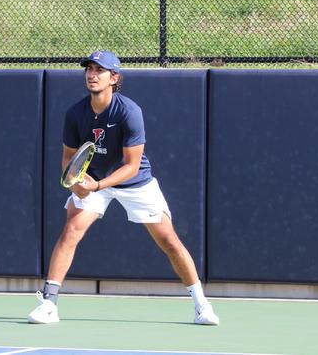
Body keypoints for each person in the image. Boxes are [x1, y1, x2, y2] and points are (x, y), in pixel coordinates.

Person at [27, 50, 219, 326]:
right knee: (70, 231)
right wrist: (75, 182)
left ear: (114, 78)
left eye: (99, 71)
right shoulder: (75, 113)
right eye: (89, 70)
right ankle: (48, 304)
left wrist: (98, 185)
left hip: (135, 183)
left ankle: (202, 306)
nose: (92, 75)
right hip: (93, 181)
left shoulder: (129, 111)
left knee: (169, 241)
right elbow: (68, 157)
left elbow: (131, 165)